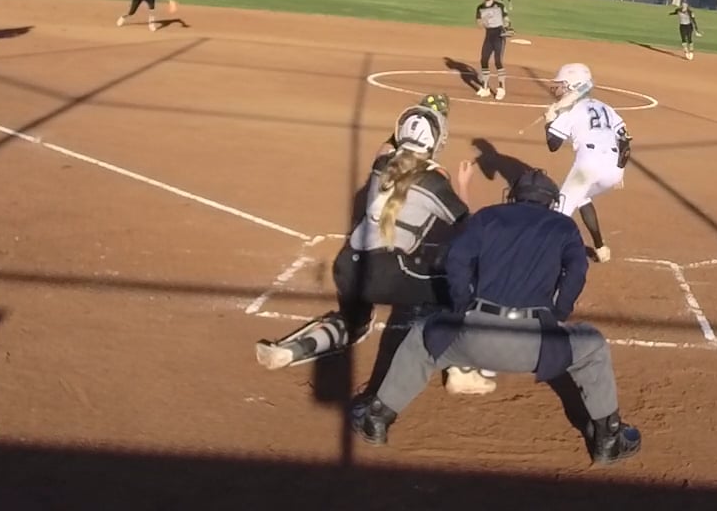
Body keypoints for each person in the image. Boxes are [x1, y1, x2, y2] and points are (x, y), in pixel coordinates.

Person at [346, 167, 643, 466]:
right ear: (552, 201)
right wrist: (558, 313)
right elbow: (576, 273)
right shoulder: (564, 227)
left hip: (471, 339)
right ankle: (608, 439)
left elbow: (456, 260)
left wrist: (462, 306)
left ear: (513, 196)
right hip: (536, 346)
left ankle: (378, 417)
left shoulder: (488, 216)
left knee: (422, 337)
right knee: (593, 347)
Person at [254, 94, 494, 394]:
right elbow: (468, 229)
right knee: (460, 288)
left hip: (348, 266)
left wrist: (416, 119)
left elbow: (391, 148)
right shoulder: (435, 182)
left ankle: (290, 350)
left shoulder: (382, 165)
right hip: (387, 274)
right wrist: (464, 186)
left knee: (354, 323)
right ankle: (461, 370)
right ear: (437, 141)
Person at [541, 63, 631, 263]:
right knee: (581, 197)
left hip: (587, 168)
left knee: (559, 211)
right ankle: (600, 247)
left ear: (573, 86)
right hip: (614, 169)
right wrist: (621, 169)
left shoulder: (569, 110)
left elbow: (553, 145)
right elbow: (625, 141)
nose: (558, 88)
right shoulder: (606, 108)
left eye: (563, 84)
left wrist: (549, 121)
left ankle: (544, 259)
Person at [473, 0, 511, 100]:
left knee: (498, 61)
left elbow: (506, 19)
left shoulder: (499, 6)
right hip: (489, 35)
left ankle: (501, 88)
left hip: (499, 35)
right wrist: (483, 21)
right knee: (484, 60)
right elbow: (479, 24)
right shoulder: (480, 7)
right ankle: (485, 88)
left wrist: (507, 26)